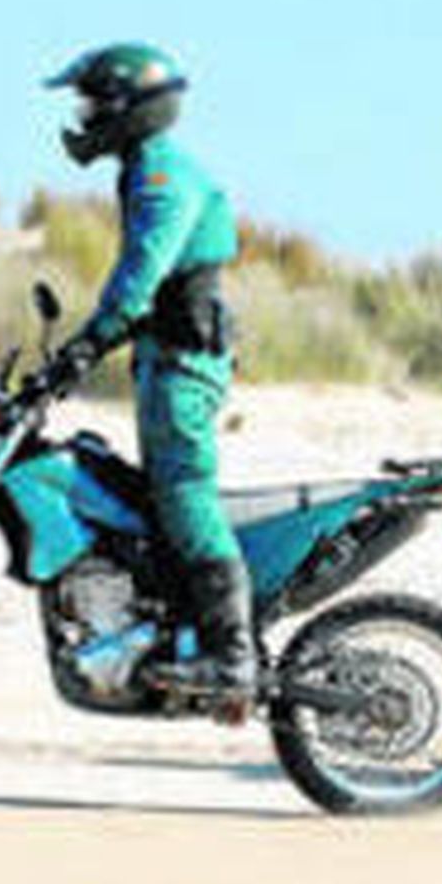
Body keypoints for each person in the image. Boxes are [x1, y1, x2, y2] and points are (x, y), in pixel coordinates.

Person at [42, 40, 257, 705]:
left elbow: (139, 280)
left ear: (131, 108)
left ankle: (232, 654)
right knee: (148, 497)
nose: (84, 115)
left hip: (183, 362)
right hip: (164, 358)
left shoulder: (162, 177)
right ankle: (168, 621)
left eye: (94, 101)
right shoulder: (144, 168)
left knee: (185, 491)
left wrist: (84, 346)